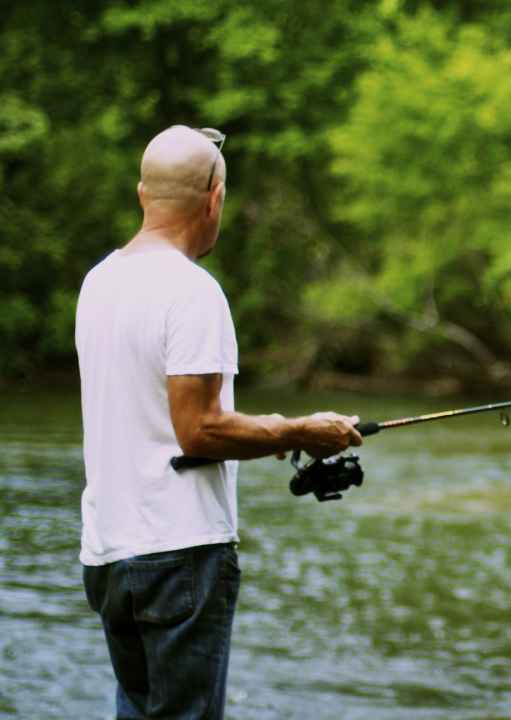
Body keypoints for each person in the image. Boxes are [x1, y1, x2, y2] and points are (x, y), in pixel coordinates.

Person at [75, 125, 363, 718]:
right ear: (215, 198)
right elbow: (199, 429)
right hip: (178, 554)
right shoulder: (192, 292)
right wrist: (301, 430)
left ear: (141, 195)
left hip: (107, 553)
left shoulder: (98, 282)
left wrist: (280, 430)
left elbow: (162, 419)